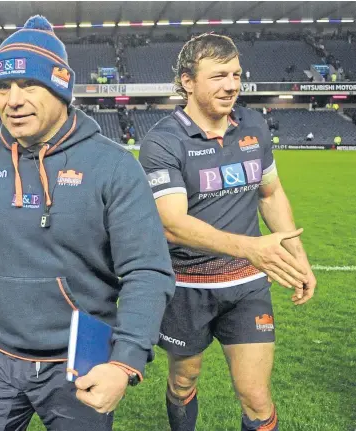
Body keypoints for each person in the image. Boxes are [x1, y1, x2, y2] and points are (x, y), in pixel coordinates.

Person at [0, 15, 175, 431]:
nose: (12, 100)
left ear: (61, 88)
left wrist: (124, 362)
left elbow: (147, 270)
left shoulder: (112, 166)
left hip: (79, 362)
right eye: (3, 87)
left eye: (28, 85)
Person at [139, 33, 317, 431]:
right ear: (188, 81)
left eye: (236, 74)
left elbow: (270, 193)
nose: (232, 84)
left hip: (248, 286)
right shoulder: (163, 142)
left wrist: (297, 255)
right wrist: (249, 246)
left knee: (256, 396)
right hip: (187, 287)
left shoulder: (253, 124)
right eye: (219, 75)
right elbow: (171, 222)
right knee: (184, 380)